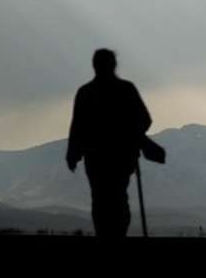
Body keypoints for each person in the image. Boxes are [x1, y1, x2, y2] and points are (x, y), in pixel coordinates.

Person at [65, 48, 152, 238]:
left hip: (97, 158)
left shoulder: (86, 92)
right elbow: (145, 120)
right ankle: (116, 234)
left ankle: (106, 235)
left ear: (94, 66)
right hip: (121, 157)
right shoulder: (126, 90)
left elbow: (77, 127)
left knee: (101, 198)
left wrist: (73, 153)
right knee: (118, 197)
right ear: (114, 65)